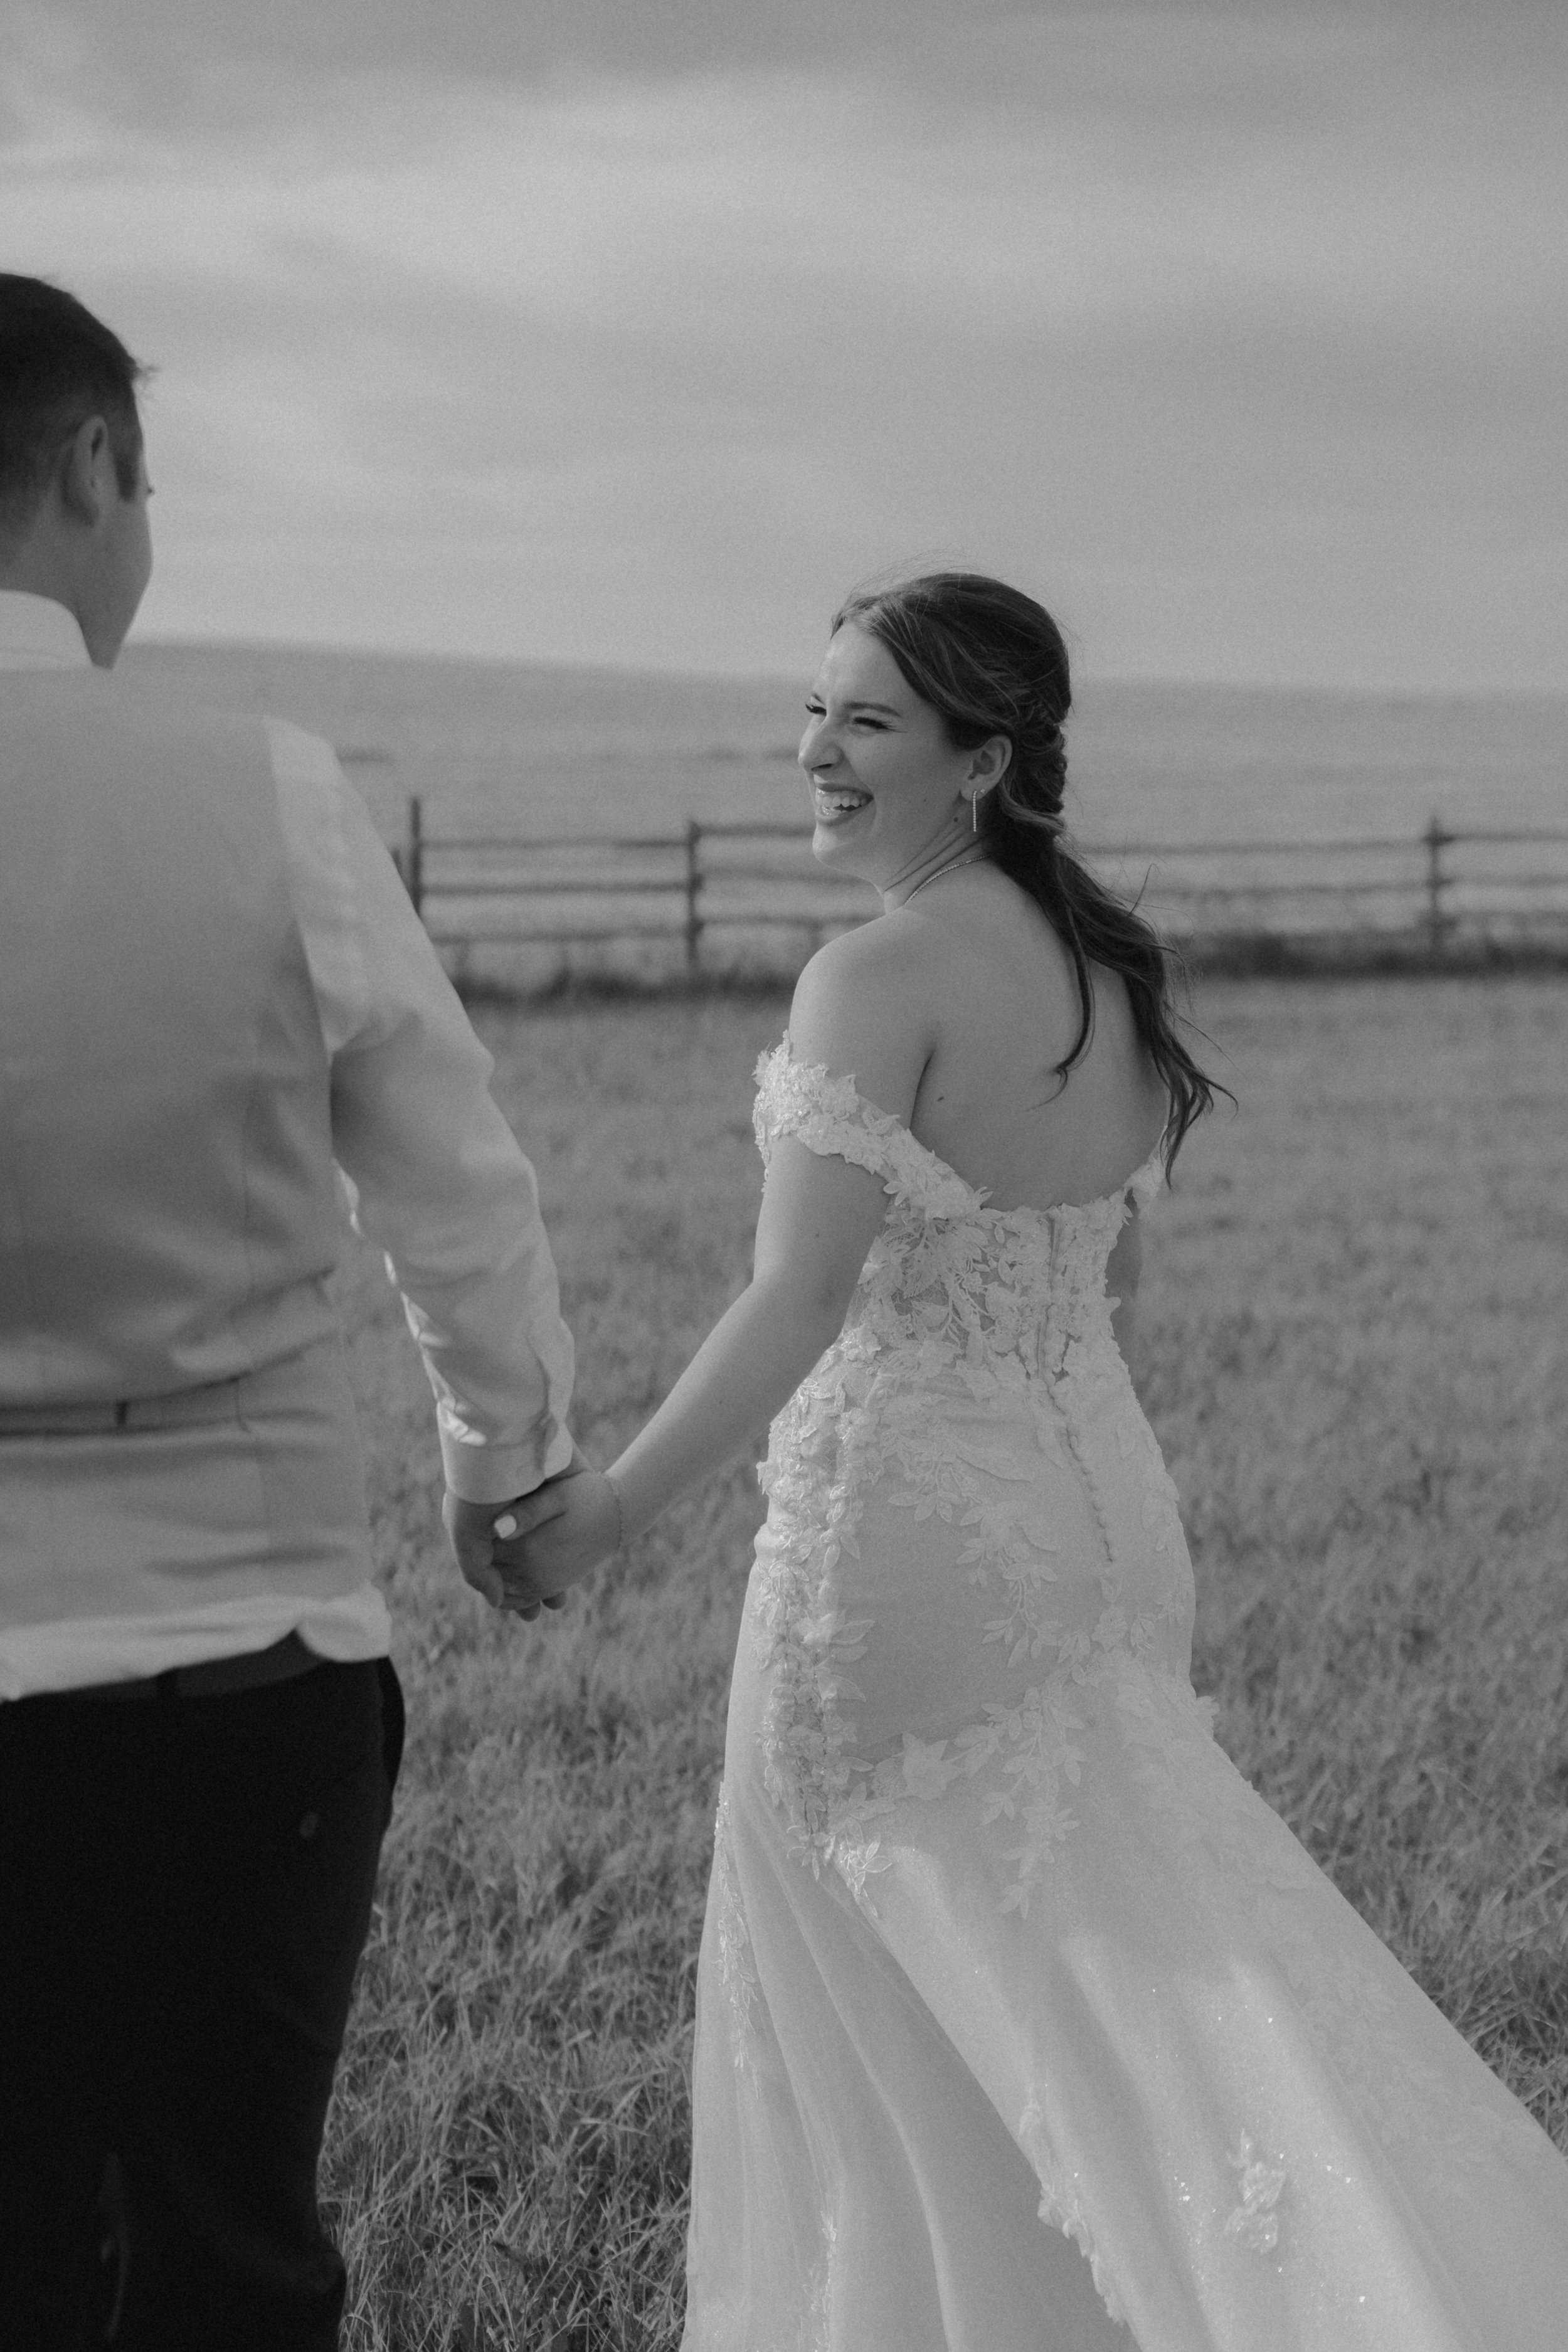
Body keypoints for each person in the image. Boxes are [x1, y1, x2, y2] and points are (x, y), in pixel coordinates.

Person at [501, 572, 1568, 2348]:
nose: (814, 752)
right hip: (1096, 1521)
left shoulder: (874, 975)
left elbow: (794, 1299)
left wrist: (603, 1513)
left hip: (901, 1552)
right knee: (1122, 1990)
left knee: (889, 2018)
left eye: (865, 720)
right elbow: (1109, 1268)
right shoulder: (1103, 971)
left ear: (980, 760)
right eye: (816, 708)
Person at [0, 275, 577, 2350]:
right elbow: (453, 1178)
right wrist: (501, 1463)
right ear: (88, 465)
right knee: (228, 2251)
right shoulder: (262, 784)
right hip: (237, 1664)